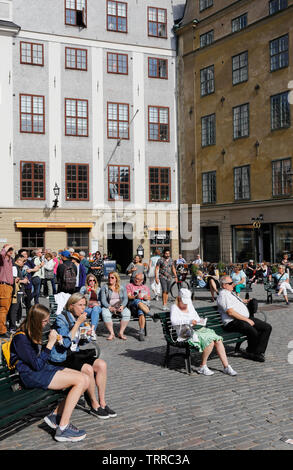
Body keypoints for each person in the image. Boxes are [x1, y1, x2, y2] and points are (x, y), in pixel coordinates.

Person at [10, 304, 89, 442]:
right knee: (80, 381)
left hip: (41, 370)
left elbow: (40, 362)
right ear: (35, 320)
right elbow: (36, 364)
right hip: (31, 375)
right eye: (45, 321)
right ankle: (63, 428)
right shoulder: (20, 338)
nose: (47, 324)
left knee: (85, 378)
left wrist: (55, 341)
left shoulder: (31, 331)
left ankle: (55, 415)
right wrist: (50, 344)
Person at [50, 293, 116, 420]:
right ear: (71, 306)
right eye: (80, 305)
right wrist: (77, 324)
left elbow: (80, 342)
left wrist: (87, 335)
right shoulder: (61, 319)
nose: (83, 308)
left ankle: (102, 402)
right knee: (88, 369)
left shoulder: (78, 317)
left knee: (102, 364)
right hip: (63, 356)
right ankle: (94, 404)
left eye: (84, 305)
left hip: (75, 353)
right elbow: (65, 343)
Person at [170, 289, 237, 376]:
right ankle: (203, 366)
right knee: (209, 341)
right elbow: (173, 321)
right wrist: (189, 320)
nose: (186, 303)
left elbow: (196, 317)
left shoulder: (189, 304)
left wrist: (200, 321)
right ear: (179, 298)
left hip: (196, 329)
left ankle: (226, 366)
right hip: (184, 332)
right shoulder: (174, 307)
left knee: (218, 340)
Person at [217, 275, 272, 362]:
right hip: (232, 322)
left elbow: (237, 302)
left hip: (242, 319)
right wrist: (246, 320)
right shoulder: (223, 295)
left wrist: (245, 301)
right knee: (252, 330)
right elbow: (230, 312)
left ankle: (257, 352)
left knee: (267, 327)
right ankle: (252, 352)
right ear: (224, 285)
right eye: (231, 283)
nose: (233, 285)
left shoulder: (230, 293)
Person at [100, 271, 130, 341]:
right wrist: (109, 307)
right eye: (109, 277)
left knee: (127, 313)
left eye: (112, 278)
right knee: (105, 313)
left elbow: (125, 298)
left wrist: (122, 306)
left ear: (116, 279)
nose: (110, 279)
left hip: (119, 305)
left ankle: (121, 333)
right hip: (109, 306)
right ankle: (112, 333)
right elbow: (103, 300)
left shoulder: (122, 287)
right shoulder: (105, 287)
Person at [126, 273, 152, 342]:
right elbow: (128, 296)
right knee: (137, 300)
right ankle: (151, 315)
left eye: (138, 279)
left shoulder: (145, 287)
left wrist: (147, 297)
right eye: (135, 278)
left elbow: (149, 297)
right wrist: (135, 296)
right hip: (132, 306)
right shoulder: (129, 286)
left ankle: (141, 331)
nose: (136, 280)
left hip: (143, 306)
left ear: (142, 280)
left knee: (141, 311)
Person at [7, 254, 29, 333]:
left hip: (18, 290)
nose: (24, 263)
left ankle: (12, 325)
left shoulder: (17, 267)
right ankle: (12, 326)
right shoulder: (14, 267)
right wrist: (23, 281)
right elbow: (13, 280)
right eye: (23, 261)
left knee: (16, 308)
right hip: (16, 291)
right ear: (18, 260)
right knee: (14, 309)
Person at [80, 274, 102, 340]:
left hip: (97, 307)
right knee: (94, 311)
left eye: (93, 280)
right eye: (90, 280)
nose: (92, 282)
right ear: (87, 281)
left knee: (95, 309)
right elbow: (80, 300)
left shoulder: (99, 289)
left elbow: (101, 301)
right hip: (87, 308)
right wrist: (86, 293)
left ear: (95, 281)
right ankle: (92, 332)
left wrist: (97, 304)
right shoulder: (83, 288)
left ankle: (92, 331)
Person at [0, 244, 14, 338]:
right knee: (3, 310)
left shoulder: (10, 260)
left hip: (9, 287)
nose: (11, 251)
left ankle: (3, 328)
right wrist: (6, 247)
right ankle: (2, 330)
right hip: (4, 286)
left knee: (6, 309)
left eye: (11, 249)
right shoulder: (2, 260)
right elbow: (1, 254)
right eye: (9, 249)